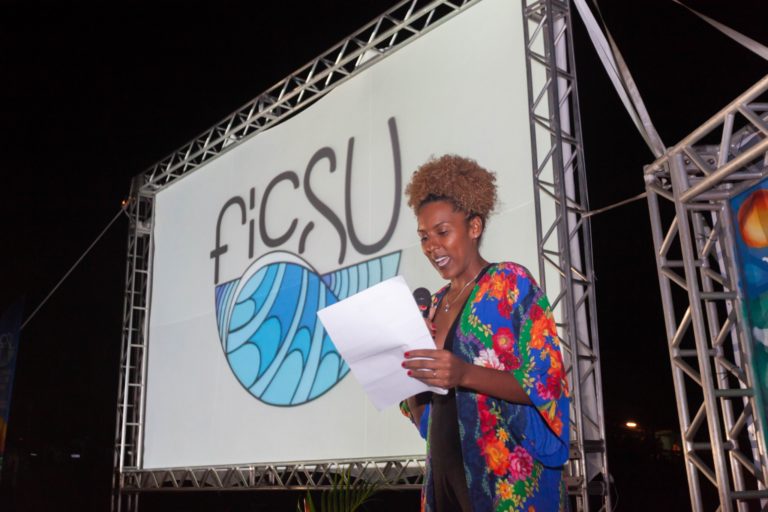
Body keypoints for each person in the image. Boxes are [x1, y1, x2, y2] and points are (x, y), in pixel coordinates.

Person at [400, 155, 570, 511]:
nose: (431, 246)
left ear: (474, 227)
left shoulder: (509, 283)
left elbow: (546, 383)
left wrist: (463, 373)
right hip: (442, 478)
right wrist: (407, 361)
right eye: (424, 237)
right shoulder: (433, 304)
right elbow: (424, 419)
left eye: (442, 232)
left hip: (504, 478)